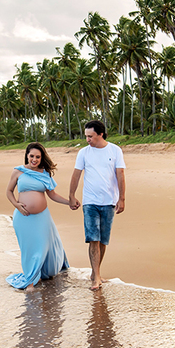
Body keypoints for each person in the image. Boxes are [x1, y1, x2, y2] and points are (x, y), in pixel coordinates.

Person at [68, 120, 125, 290]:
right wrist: (71, 195)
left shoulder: (115, 150)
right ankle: (96, 278)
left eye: (90, 136)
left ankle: (95, 272)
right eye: (86, 136)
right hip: (90, 202)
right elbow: (76, 175)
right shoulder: (83, 153)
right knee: (93, 238)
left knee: (103, 241)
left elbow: (120, 174)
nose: (87, 139)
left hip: (109, 202)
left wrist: (122, 198)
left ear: (100, 134)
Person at [6, 143, 71, 291]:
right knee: (29, 249)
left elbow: (52, 195)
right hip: (23, 218)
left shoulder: (44, 174)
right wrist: (16, 204)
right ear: (27, 156)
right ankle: (30, 281)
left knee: (41, 248)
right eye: (31, 156)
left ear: (41, 158)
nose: (34, 159)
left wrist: (69, 202)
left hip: (42, 218)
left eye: (37, 157)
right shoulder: (18, 171)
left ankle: (39, 274)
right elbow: (9, 191)